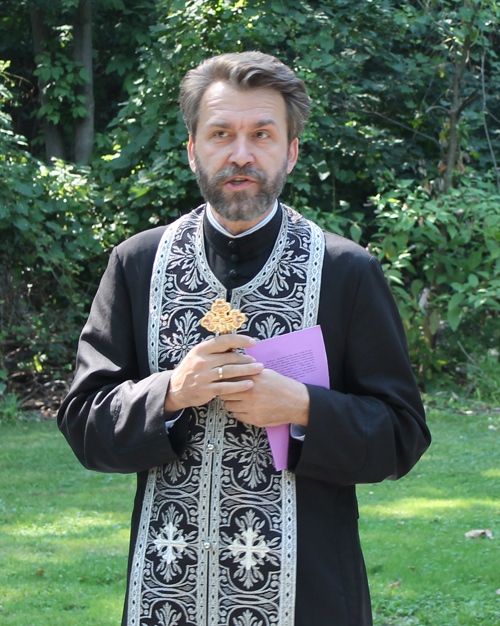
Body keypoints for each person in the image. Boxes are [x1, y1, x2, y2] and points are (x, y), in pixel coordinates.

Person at [58, 51, 430, 626]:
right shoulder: (137, 264)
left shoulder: (347, 271)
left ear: (292, 150)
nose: (240, 154)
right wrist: (170, 393)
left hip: (308, 597)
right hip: (166, 592)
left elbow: (403, 435)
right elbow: (84, 421)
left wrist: (303, 407)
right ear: (192, 150)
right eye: (221, 134)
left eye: (262, 134)